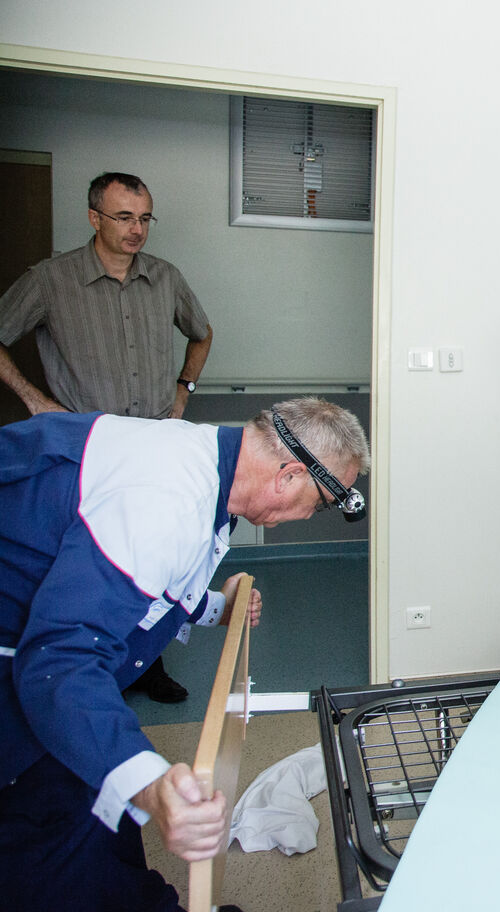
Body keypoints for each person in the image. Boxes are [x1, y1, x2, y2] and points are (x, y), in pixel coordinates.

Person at [0, 396, 370, 912]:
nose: (311, 515)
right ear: (289, 476)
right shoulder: (166, 498)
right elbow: (60, 662)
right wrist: (150, 785)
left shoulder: (205, 462)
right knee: (52, 829)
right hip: (36, 660)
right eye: (323, 502)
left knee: (104, 802)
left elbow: (155, 575)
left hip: (38, 637)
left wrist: (218, 607)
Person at [0, 171, 216, 703]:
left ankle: (146, 663)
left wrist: (183, 389)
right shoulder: (50, 280)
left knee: (150, 554)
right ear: (94, 217)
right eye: (123, 217)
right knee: (82, 561)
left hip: (154, 445)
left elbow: (202, 333)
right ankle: (74, 672)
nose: (136, 229)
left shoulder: (165, 277)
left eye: (144, 218)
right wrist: (33, 400)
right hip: (87, 448)